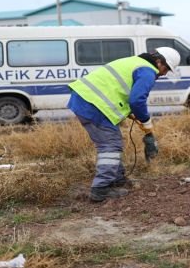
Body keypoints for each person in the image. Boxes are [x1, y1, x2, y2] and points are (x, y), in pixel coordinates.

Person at [67, 47, 181, 202]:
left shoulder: (134, 62)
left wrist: (130, 113)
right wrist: (146, 122)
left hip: (86, 100)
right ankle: (100, 190)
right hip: (93, 105)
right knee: (110, 146)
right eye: (166, 68)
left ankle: (117, 180)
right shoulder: (148, 71)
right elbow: (137, 100)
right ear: (159, 61)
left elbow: (117, 90)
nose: (164, 73)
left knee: (112, 142)